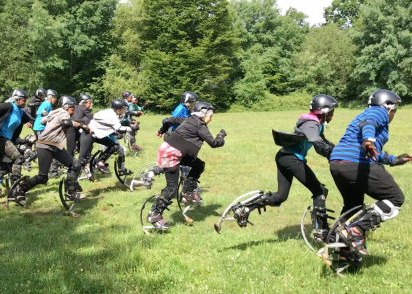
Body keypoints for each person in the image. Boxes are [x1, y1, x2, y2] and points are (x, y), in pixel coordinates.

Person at [231, 94, 338, 242]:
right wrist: (333, 156)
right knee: (319, 191)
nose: (332, 115)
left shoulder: (315, 123)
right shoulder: (311, 124)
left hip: (283, 157)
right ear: (322, 112)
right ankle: (322, 231)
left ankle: (245, 208)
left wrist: (337, 151)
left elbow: (323, 141)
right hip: (292, 160)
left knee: (280, 196)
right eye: (331, 112)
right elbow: (318, 144)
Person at [329, 89, 411, 259]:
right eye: (395, 109)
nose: (394, 114)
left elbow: (373, 152)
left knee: (353, 205)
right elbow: (370, 123)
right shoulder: (378, 111)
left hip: (338, 164)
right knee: (395, 198)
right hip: (355, 163)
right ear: (388, 106)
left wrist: (395, 160)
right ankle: (356, 230)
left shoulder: (361, 115)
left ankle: (341, 248)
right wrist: (369, 139)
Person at [148, 100, 226, 230]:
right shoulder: (200, 125)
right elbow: (214, 143)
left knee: (198, 165)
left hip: (176, 153)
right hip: (171, 154)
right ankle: (155, 215)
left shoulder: (188, 119)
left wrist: (161, 130)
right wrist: (221, 136)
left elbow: (168, 120)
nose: (210, 119)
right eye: (210, 116)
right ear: (203, 113)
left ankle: (188, 192)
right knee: (171, 188)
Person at [10, 97, 83, 205]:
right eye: (72, 109)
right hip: (45, 145)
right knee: (42, 177)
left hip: (55, 146)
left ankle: (70, 191)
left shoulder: (54, 112)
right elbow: (66, 122)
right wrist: (78, 124)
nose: (73, 112)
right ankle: (20, 189)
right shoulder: (64, 112)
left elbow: (43, 120)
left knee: (75, 165)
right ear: (66, 107)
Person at [87, 99, 133, 175]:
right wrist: (131, 128)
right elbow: (119, 128)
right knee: (116, 146)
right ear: (118, 110)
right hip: (91, 134)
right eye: (124, 109)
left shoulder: (111, 112)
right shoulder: (111, 115)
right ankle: (99, 163)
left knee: (116, 146)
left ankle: (101, 163)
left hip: (97, 134)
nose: (125, 110)